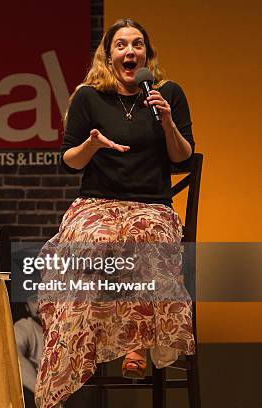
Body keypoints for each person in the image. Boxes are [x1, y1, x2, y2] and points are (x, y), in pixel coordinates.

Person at [35, 19, 195, 407]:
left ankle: (135, 346)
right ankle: (82, 346)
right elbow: (70, 161)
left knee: (142, 239)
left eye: (137, 44)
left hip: (151, 205)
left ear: (146, 54)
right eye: (121, 45)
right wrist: (91, 144)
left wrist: (169, 121)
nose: (129, 52)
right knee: (96, 241)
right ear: (108, 55)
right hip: (98, 202)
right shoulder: (89, 97)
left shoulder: (167, 93)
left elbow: (183, 158)